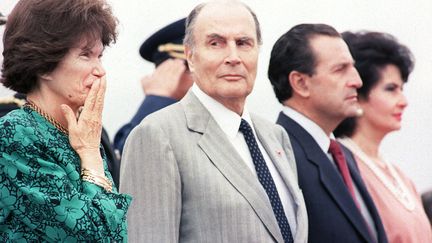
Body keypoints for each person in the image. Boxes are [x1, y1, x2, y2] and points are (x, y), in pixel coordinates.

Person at [120, 1, 308, 242]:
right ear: (190, 55)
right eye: (215, 43)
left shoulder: (276, 136)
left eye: (243, 43)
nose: (233, 57)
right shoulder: (157, 135)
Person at [0, 0, 131, 241]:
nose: (100, 70)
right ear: (44, 64)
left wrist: (91, 151)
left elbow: (117, 233)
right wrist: (91, 154)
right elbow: (90, 235)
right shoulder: (13, 135)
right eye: (85, 55)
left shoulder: (81, 133)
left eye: (99, 56)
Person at [268, 24, 388, 243]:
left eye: (353, 67)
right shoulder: (277, 156)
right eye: (340, 69)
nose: (357, 81)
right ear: (301, 83)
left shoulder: (341, 154)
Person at [334, 31, 432, 242]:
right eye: (391, 89)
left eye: (402, 89)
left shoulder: (400, 176)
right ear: (356, 95)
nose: (403, 100)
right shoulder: (341, 167)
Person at [113, 18, 193, 155]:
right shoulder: (163, 115)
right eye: (191, 67)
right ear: (168, 71)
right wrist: (158, 97)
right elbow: (128, 158)